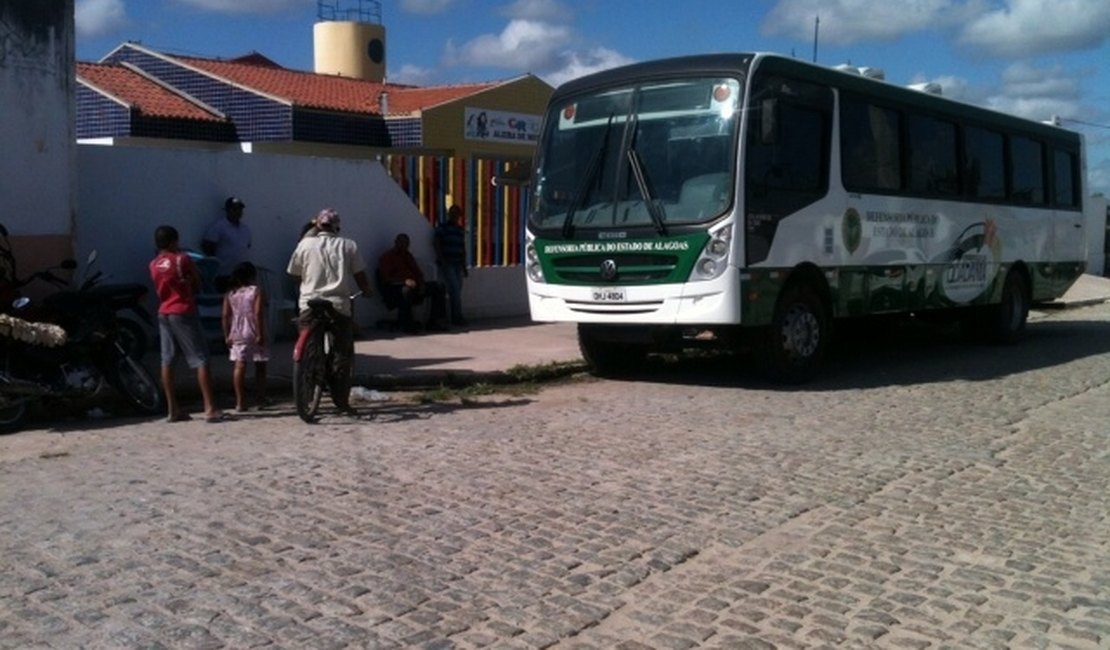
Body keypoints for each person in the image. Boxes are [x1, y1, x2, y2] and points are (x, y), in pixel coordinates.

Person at [286, 208, 374, 413]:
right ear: (337, 226)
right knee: (342, 351)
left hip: (309, 302)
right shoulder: (348, 245)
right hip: (338, 304)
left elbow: (294, 273)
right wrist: (367, 291)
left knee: (310, 342)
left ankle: (309, 375)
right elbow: (360, 276)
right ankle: (341, 401)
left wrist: (306, 285)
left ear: (318, 225)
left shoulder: (305, 244)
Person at [148, 224, 226, 423]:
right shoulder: (182, 259)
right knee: (200, 358)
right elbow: (197, 283)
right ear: (174, 241)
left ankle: (173, 408)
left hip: (164, 310)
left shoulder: (154, 264)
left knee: (167, 360)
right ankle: (210, 407)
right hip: (183, 309)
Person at [221, 261, 269, 412]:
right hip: (253, 329)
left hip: (237, 331)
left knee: (239, 365)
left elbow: (225, 315)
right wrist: (261, 333)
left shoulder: (231, 294)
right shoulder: (256, 291)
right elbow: (258, 313)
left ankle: (240, 402)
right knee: (260, 366)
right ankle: (260, 399)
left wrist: (226, 334)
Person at [378, 233, 447, 333]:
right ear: (396, 242)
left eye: (406, 243)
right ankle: (407, 325)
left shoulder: (408, 256)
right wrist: (404, 281)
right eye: (402, 242)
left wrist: (421, 283)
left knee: (438, 287)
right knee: (406, 291)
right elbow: (386, 277)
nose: (404, 245)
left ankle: (434, 322)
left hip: (415, 285)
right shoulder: (387, 257)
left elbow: (417, 272)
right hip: (395, 288)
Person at [202, 196, 252, 292]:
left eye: (240, 209)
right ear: (228, 210)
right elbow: (207, 246)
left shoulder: (245, 229)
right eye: (235, 209)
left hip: (242, 274)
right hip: (225, 274)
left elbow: (247, 245)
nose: (238, 212)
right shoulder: (218, 227)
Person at [434, 204, 468, 327]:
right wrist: (441, 259)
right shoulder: (443, 228)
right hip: (448, 263)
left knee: (457, 290)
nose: (454, 216)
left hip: (457, 263)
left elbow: (462, 248)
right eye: (453, 213)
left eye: (457, 214)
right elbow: (437, 243)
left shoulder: (460, 230)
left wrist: (464, 266)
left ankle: (454, 316)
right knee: (454, 290)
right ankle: (457, 317)